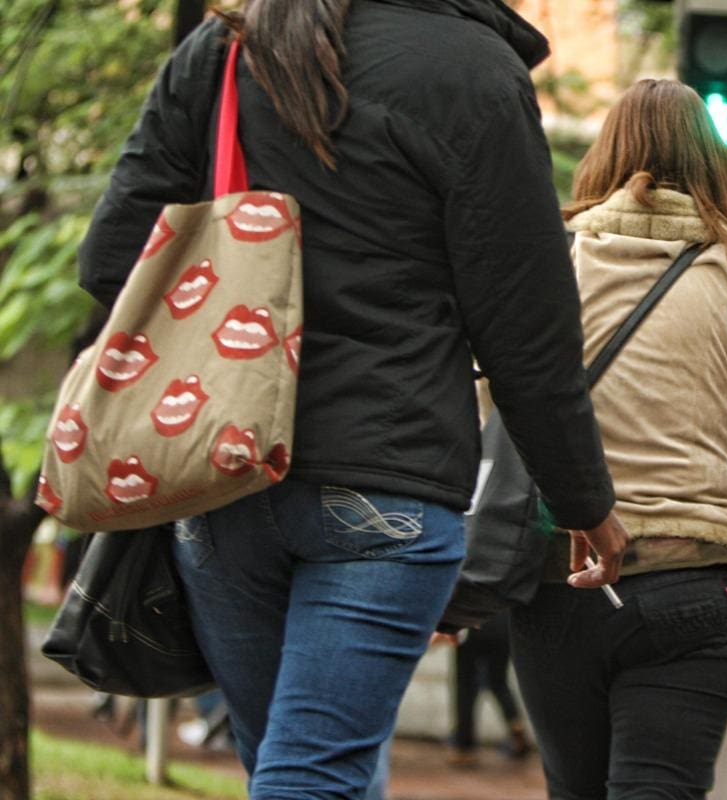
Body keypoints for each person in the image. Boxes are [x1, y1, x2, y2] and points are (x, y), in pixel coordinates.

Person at [76, 2, 628, 797]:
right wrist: (584, 501)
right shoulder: (475, 72)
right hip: (388, 481)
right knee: (315, 772)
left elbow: (109, 259)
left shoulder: (230, 48)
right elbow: (527, 334)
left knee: (301, 766)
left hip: (223, 474)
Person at [498, 78, 727, 799]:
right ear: (711, 160)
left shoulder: (554, 261)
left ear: (606, 153)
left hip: (561, 580)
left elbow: (494, 399)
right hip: (697, 587)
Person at [445, 610, 531, 767]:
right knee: (498, 681)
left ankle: (464, 746)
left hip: (471, 624)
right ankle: (515, 723)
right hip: (502, 626)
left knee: (465, 685)